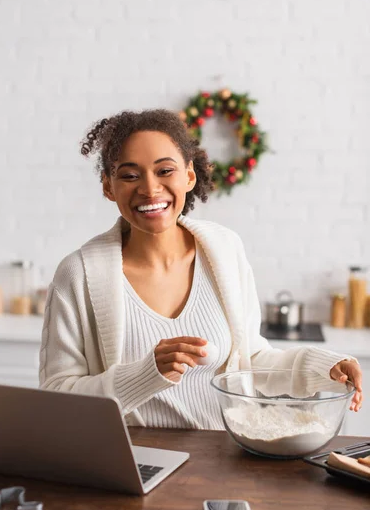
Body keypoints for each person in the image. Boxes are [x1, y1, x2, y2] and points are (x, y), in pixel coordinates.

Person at [39, 109, 363, 429]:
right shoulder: (78, 275)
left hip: (226, 462)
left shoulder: (224, 250)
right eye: (130, 175)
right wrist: (146, 374)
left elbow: (251, 360)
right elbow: (58, 399)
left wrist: (326, 367)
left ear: (189, 176)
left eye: (164, 171)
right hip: (133, 465)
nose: (150, 189)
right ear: (109, 186)